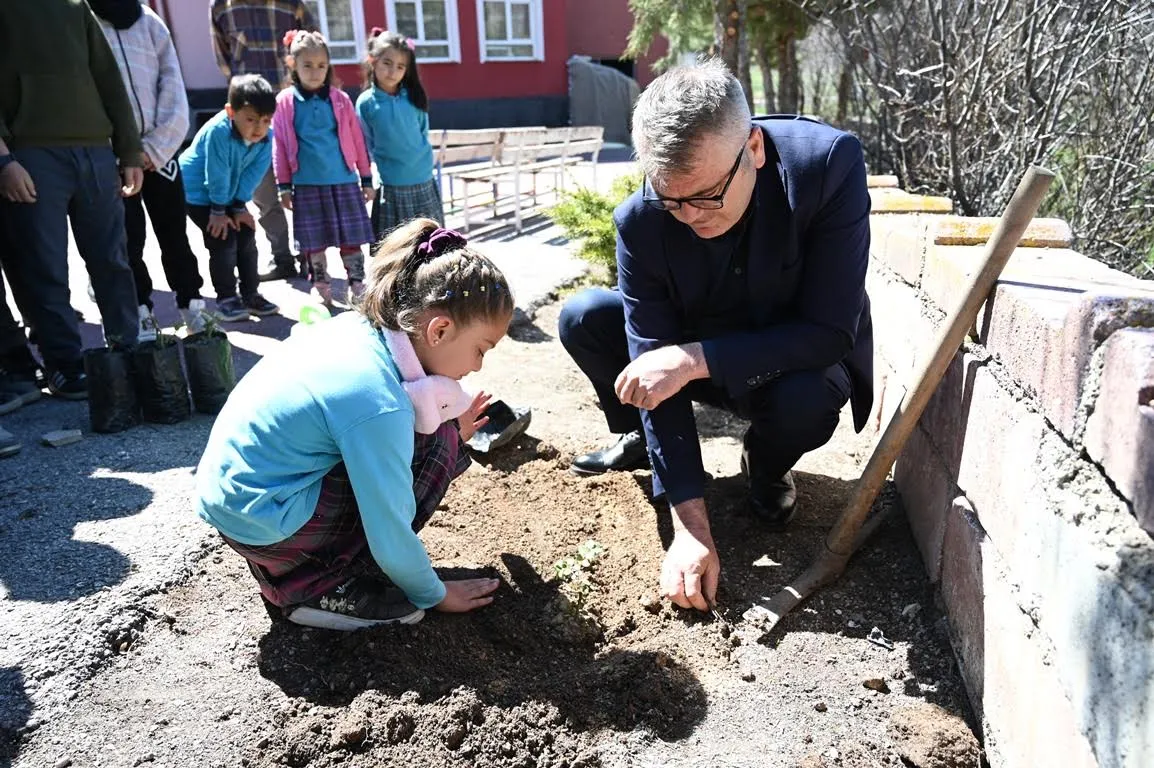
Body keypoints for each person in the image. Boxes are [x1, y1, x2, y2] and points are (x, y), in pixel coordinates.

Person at [558, 60, 874, 613]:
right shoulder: (642, 219)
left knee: (808, 400)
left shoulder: (825, 166)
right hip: (691, 354)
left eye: (704, 196)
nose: (687, 216)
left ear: (752, 148)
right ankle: (643, 439)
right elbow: (650, 356)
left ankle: (766, 464)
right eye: (670, 199)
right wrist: (690, 527)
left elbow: (828, 332)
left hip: (788, 359)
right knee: (584, 316)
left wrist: (692, 360)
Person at [195, 219, 511, 630]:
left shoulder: (360, 330)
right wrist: (435, 593)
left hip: (243, 506)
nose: (477, 366)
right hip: (265, 523)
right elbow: (389, 524)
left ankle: (286, 568)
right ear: (440, 329)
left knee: (436, 436)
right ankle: (315, 588)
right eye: (480, 350)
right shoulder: (379, 402)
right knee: (438, 446)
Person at [0, 0, 143, 400]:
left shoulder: (76, 7)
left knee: (112, 259)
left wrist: (129, 150)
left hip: (96, 150)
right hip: (30, 152)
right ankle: (64, 362)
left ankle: (125, 348)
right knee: (45, 266)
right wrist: (4, 161)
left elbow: (109, 78)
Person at [91, 0, 209, 337]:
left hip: (161, 153)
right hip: (114, 158)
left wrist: (156, 148)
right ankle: (141, 311)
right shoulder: (86, 21)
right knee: (129, 241)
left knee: (174, 235)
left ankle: (192, 304)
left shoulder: (151, 22)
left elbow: (172, 84)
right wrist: (121, 152)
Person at [211, 0, 316, 282]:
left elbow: (314, 47)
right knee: (264, 193)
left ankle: (311, 257)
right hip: (252, 120)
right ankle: (282, 258)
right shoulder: (222, 7)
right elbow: (224, 60)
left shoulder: (292, 4)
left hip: (295, 114)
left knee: (304, 190)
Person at [273, 30, 374, 307]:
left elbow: (357, 140)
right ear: (293, 65)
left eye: (321, 65)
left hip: (342, 180)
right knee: (313, 242)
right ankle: (321, 283)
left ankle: (356, 281)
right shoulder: (284, 102)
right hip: (306, 185)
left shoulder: (340, 100)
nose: (315, 72)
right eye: (307, 65)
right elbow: (279, 146)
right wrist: (283, 185)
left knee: (350, 238)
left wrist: (366, 178)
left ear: (329, 66)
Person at [179, 75, 280, 323]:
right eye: (251, 119)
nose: (258, 127)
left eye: (265, 120)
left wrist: (237, 206)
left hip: (229, 193)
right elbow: (216, 174)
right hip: (199, 194)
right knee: (222, 239)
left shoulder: (266, 137)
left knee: (245, 235)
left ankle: (251, 294)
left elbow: (253, 174)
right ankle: (226, 298)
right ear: (230, 112)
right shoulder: (219, 133)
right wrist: (218, 211)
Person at [356, 28, 443, 240]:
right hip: (393, 186)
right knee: (398, 247)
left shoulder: (414, 98)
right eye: (387, 63)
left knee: (429, 243)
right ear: (372, 61)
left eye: (400, 66)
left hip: (423, 180)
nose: (392, 71)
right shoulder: (366, 103)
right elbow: (366, 145)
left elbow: (423, 131)